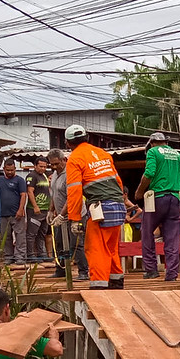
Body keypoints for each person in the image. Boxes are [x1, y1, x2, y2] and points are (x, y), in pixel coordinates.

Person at [63, 124, 126, 289]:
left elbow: (74, 191)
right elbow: (118, 181)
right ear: (87, 137)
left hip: (101, 209)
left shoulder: (74, 159)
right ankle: (116, 282)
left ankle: (99, 285)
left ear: (67, 143)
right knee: (111, 248)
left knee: (96, 248)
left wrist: (75, 219)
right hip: (118, 206)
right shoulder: (102, 153)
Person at [134, 132, 180, 281]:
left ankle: (151, 270)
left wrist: (139, 191)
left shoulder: (153, 152)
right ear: (166, 142)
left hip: (157, 198)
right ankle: (171, 274)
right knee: (172, 238)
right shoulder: (177, 156)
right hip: (174, 199)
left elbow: (149, 173)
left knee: (147, 232)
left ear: (152, 143)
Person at [47, 149, 89, 280]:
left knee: (76, 243)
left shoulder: (71, 174)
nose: (54, 167)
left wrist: (62, 214)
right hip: (61, 215)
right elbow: (54, 194)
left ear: (64, 160)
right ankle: (60, 269)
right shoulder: (54, 174)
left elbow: (71, 198)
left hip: (76, 214)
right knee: (59, 242)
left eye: (56, 164)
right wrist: (51, 210)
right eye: (51, 164)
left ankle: (83, 271)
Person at [25, 157, 52, 262]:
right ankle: (30, 254)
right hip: (34, 210)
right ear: (35, 166)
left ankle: (41, 254)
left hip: (45, 209)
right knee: (32, 233)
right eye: (41, 166)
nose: (43, 168)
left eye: (45, 166)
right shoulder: (32, 176)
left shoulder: (44, 176)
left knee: (42, 233)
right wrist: (35, 206)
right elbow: (30, 191)